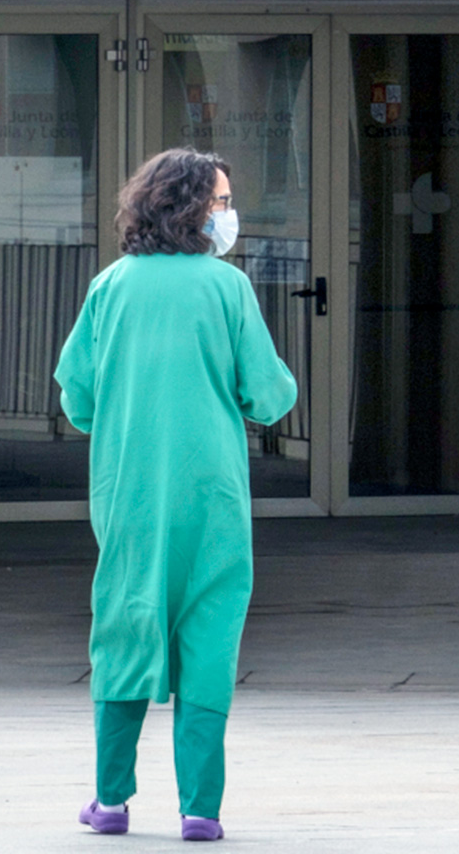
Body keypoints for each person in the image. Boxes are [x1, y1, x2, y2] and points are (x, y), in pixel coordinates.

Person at [54, 149, 298, 842]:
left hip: (128, 492)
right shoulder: (228, 288)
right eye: (221, 202)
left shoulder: (110, 286)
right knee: (210, 636)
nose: (228, 214)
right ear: (190, 208)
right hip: (212, 494)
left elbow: (77, 397)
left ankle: (110, 800)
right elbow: (270, 395)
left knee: (125, 627)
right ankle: (200, 810)